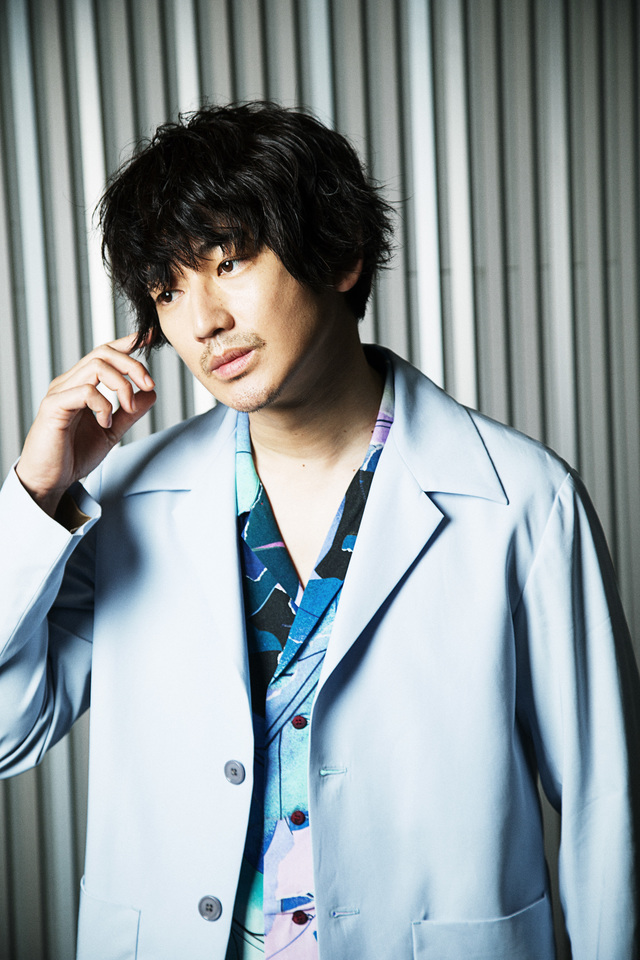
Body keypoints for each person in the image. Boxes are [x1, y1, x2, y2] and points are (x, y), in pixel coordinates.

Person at [0, 101, 638, 960]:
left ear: (340, 254)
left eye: (229, 262)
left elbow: (607, 807)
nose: (201, 320)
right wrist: (36, 493)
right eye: (167, 290)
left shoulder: (523, 501)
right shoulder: (123, 501)